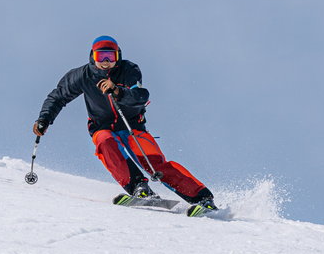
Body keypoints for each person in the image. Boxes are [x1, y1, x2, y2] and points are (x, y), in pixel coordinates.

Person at [33, 35, 218, 216]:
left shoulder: (128, 70)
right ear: (92, 56)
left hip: (133, 127)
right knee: (105, 142)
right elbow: (57, 97)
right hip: (102, 127)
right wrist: (44, 119)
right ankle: (139, 187)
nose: (106, 61)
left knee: (153, 162)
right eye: (101, 57)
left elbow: (141, 96)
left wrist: (118, 91)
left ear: (118, 56)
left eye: (111, 57)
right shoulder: (82, 76)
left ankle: (202, 198)